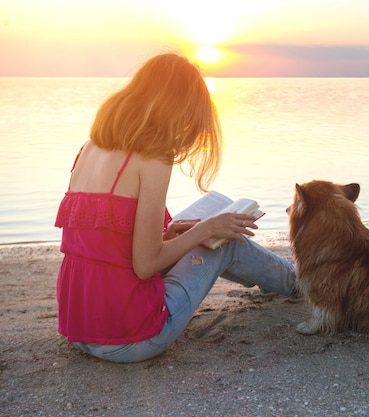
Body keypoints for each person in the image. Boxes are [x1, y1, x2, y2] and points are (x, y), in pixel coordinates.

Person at [54, 52, 297, 363]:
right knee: (222, 241)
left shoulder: (90, 147)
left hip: (81, 329)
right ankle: (299, 284)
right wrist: (206, 229)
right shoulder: (153, 157)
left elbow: (105, 239)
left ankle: (269, 279)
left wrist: (169, 234)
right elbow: (145, 265)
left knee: (209, 219)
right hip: (132, 336)